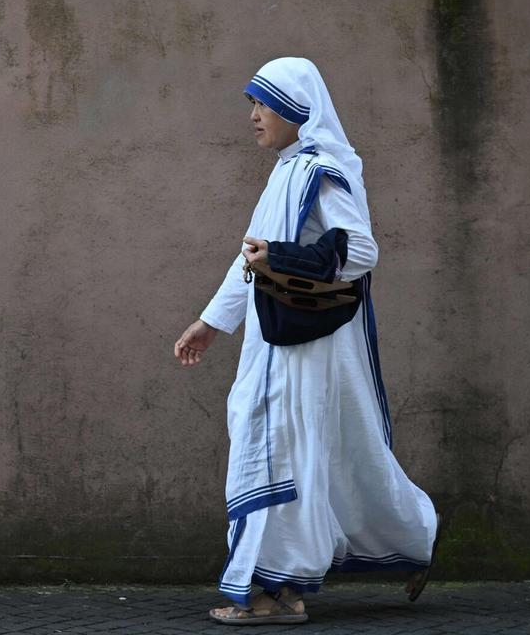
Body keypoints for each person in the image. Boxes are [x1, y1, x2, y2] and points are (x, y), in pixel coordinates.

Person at [173, 57, 439, 625]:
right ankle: (314, 577)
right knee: (311, 452)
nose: (253, 116)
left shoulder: (323, 171)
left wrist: (285, 258)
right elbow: (251, 257)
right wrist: (210, 323)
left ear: (297, 110)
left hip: (305, 351)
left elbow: (362, 251)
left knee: (281, 450)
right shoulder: (288, 172)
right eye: (253, 103)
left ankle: (273, 593)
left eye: (262, 103)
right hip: (277, 343)